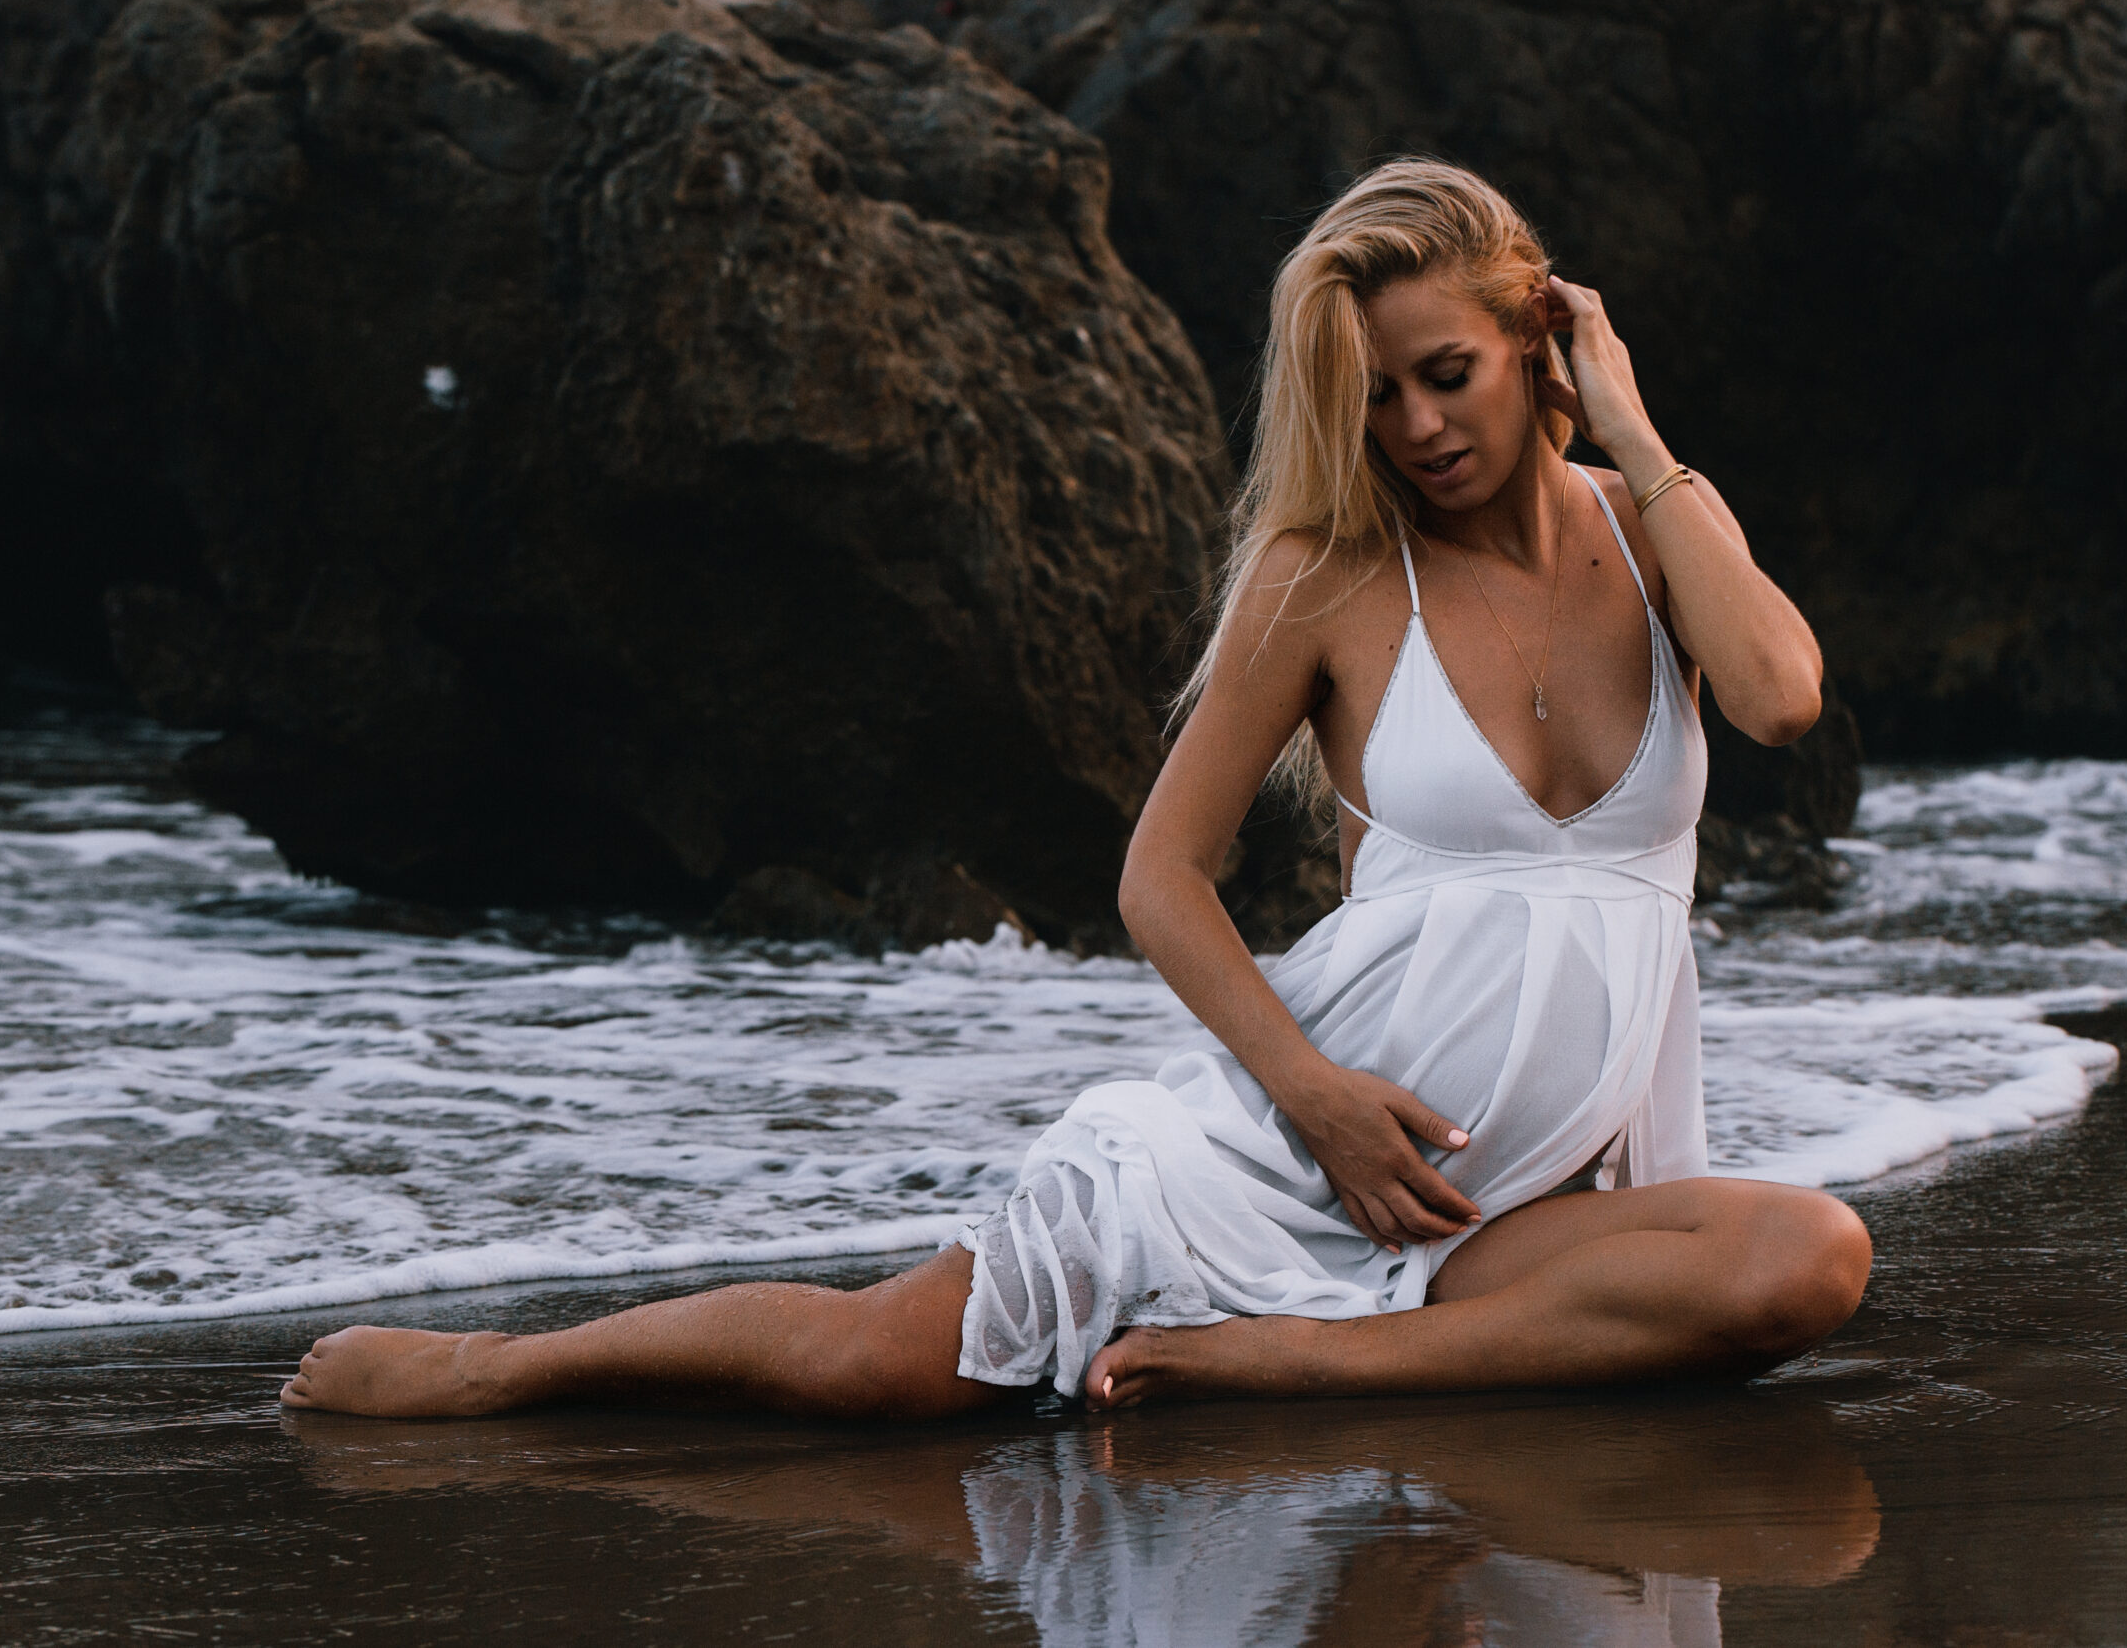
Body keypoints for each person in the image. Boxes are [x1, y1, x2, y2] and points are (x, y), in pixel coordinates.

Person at [278, 157, 1871, 1422]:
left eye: (1446, 372)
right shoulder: (1323, 577)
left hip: (1494, 1216)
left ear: (1543, 340)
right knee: (879, 1369)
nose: (1418, 426)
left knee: (1807, 1256)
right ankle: (503, 1370)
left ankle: (1317, 1368)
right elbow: (1158, 878)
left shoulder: (1657, 529)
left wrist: (1641, 427)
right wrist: (1313, 1102)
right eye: (1375, 396)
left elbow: (1785, 697)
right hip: (1293, 1155)